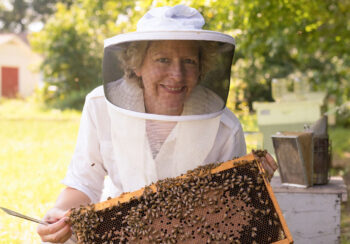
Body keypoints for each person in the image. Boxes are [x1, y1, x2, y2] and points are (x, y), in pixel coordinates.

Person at [37, 4, 277, 243]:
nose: (177, 74)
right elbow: (83, 183)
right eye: (162, 59)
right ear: (137, 64)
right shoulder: (100, 106)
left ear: (202, 67)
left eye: (189, 61)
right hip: (120, 231)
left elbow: (230, 212)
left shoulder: (226, 127)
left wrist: (253, 184)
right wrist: (59, 216)